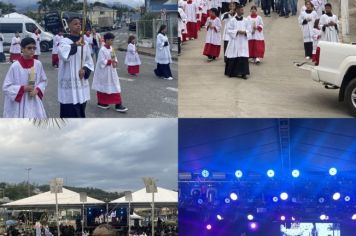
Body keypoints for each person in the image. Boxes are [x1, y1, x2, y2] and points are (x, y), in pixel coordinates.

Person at [58, 16, 94, 118]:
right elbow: (64, 55)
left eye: (80, 24)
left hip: (81, 80)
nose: (78, 25)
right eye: (75, 24)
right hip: (69, 80)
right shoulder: (64, 41)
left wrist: (85, 69)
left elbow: (89, 60)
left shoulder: (85, 43)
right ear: (69, 26)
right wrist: (77, 44)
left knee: (81, 108)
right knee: (70, 112)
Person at [3, 37, 47, 118]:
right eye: (29, 48)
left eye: (34, 48)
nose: (32, 50)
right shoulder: (15, 66)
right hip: (19, 102)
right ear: (22, 49)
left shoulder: (38, 64)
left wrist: (37, 90)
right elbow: (6, 87)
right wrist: (23, 88)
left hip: (34, 100)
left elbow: (43, 80)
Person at [92, 32, 128, 112]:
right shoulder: (102, 50)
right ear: (106, 40)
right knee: (103, 87)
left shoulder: (111, 48)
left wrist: (115, 61)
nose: (112, 41)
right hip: (104, 72)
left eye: (113, 40)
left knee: (115, 86)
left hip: (111, 71)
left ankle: (118, 104)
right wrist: (110, 61)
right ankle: (101, 102)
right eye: (111, 40)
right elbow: (101, 62)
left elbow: (113, 57)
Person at [225, 4, 250, 79]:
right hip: (235, 40)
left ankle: (243, 73)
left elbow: (249, 30)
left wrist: (245, 32)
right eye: (241, 9)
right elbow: (228, 30)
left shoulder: (246, 20)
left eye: (242, 9)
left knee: (243, 55)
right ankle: (232, 72)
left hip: (243, 41)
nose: (242, 11)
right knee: (234, 54)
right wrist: (237, 31)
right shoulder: (232, 20)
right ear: (237, 10)